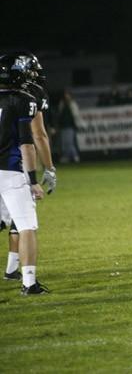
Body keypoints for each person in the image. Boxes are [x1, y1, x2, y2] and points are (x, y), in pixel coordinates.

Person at [0, 55, 48, 294]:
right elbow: (27, 144)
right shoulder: (23, 99)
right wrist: (32, 180)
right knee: (27, 226)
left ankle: (12, 270)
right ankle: (29, 282)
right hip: (10, 172)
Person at [56, 90, 81, 163]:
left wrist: (77, 124)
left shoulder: (72, 104)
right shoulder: (62, 103)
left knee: (70, 142)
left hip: (70, 125)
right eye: (65, 94)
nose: (66, 96)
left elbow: (76, 115)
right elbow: (60, 115)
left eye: (68, 94)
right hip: (63, 126)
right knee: (64, 143)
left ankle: (75, 156)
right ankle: (66, 156)